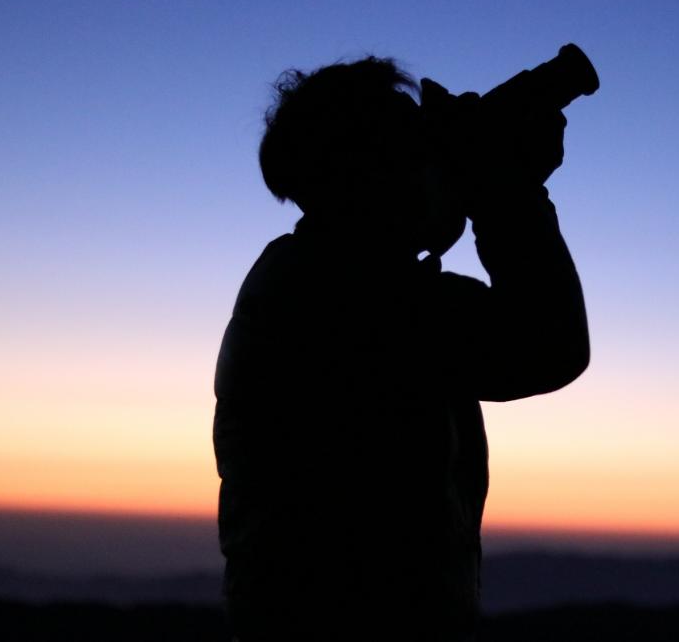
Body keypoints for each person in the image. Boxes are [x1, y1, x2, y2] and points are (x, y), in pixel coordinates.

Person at [213, 56, 589, 641]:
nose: (446, 170)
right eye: (423, 154)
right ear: (371, 177)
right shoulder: (340, 295)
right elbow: (549, 344)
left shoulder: (318, 280)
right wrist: (507, 188)